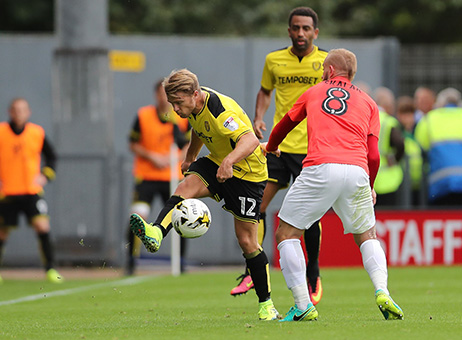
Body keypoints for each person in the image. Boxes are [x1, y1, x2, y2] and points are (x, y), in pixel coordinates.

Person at [263, 48, 404, 321]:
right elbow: (373, 154)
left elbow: (284, 124)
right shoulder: (369, 102)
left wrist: (272, 147)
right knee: (367, 235)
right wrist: (370, 185)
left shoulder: (314, 91)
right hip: (357, 171)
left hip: (320, 167)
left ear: (328, 71)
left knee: (286, 234)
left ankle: (303, 305)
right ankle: (383, 291)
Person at [129, 69, 279, 321]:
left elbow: (250, 141)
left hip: (248, 174)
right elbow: (198, 129)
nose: (175, 109)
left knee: (247, 242)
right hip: (219, 162)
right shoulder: (194, 108)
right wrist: (190, 158)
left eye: (179, 102)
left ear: (195, 94)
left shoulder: (221, 110)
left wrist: (229, 162)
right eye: (172, 103)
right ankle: (156, 232)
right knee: (183, 189)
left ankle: (267, 304)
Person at [233, 6, 328, 305]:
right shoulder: (274, 60)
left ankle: (313, 272)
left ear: (315, 32)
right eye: (296, 28)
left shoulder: (326, 62)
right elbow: (265, 91)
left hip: (311, 149)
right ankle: (253, 268)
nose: (301, 33)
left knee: (309, 214)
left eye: (306, 29)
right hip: (278, 145)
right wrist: (258, 117)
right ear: (289, 31)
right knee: (257, 204)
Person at [125, 80, 190, 276]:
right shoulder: (143, 115)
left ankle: (181, 262)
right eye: (162, 93)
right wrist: (152, 156)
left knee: (180, 217)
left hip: (172, 175)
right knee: (139, 215)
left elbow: (188, 143)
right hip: (146, 175)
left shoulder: (180, 116)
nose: (165, 98)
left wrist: (177, 157)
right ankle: (131, 261)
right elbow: (132, 143)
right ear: (156, 95)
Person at [0, 98, 63, 283]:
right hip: (7, 192)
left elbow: (51, 158)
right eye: (15, 110)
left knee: (42, 226)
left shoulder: (37, 133)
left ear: (28, 112)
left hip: (31, 191)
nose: (19, 113)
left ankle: (50, 269)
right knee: (2, 231)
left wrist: (45, 176)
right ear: (10, 112)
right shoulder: (2, 132)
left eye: (22, 110)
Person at [414, 87, 462, 207]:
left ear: (440, 103)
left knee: (444, 220)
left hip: (441, 184)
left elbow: (420, 145)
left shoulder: (428, 119)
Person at [373, 87, 405, 207]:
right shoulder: (389, 121)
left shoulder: (367, 119)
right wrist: (395, 159)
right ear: (387, 104)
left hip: (369, 177)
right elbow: (400, 143)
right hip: (389, 177)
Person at [396, 96, 423, 206]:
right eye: (405, 114)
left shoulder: (418, 132)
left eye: (410, 114)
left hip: (418, 182)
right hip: (402, 182)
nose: (408, 118)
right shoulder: (397, 133)